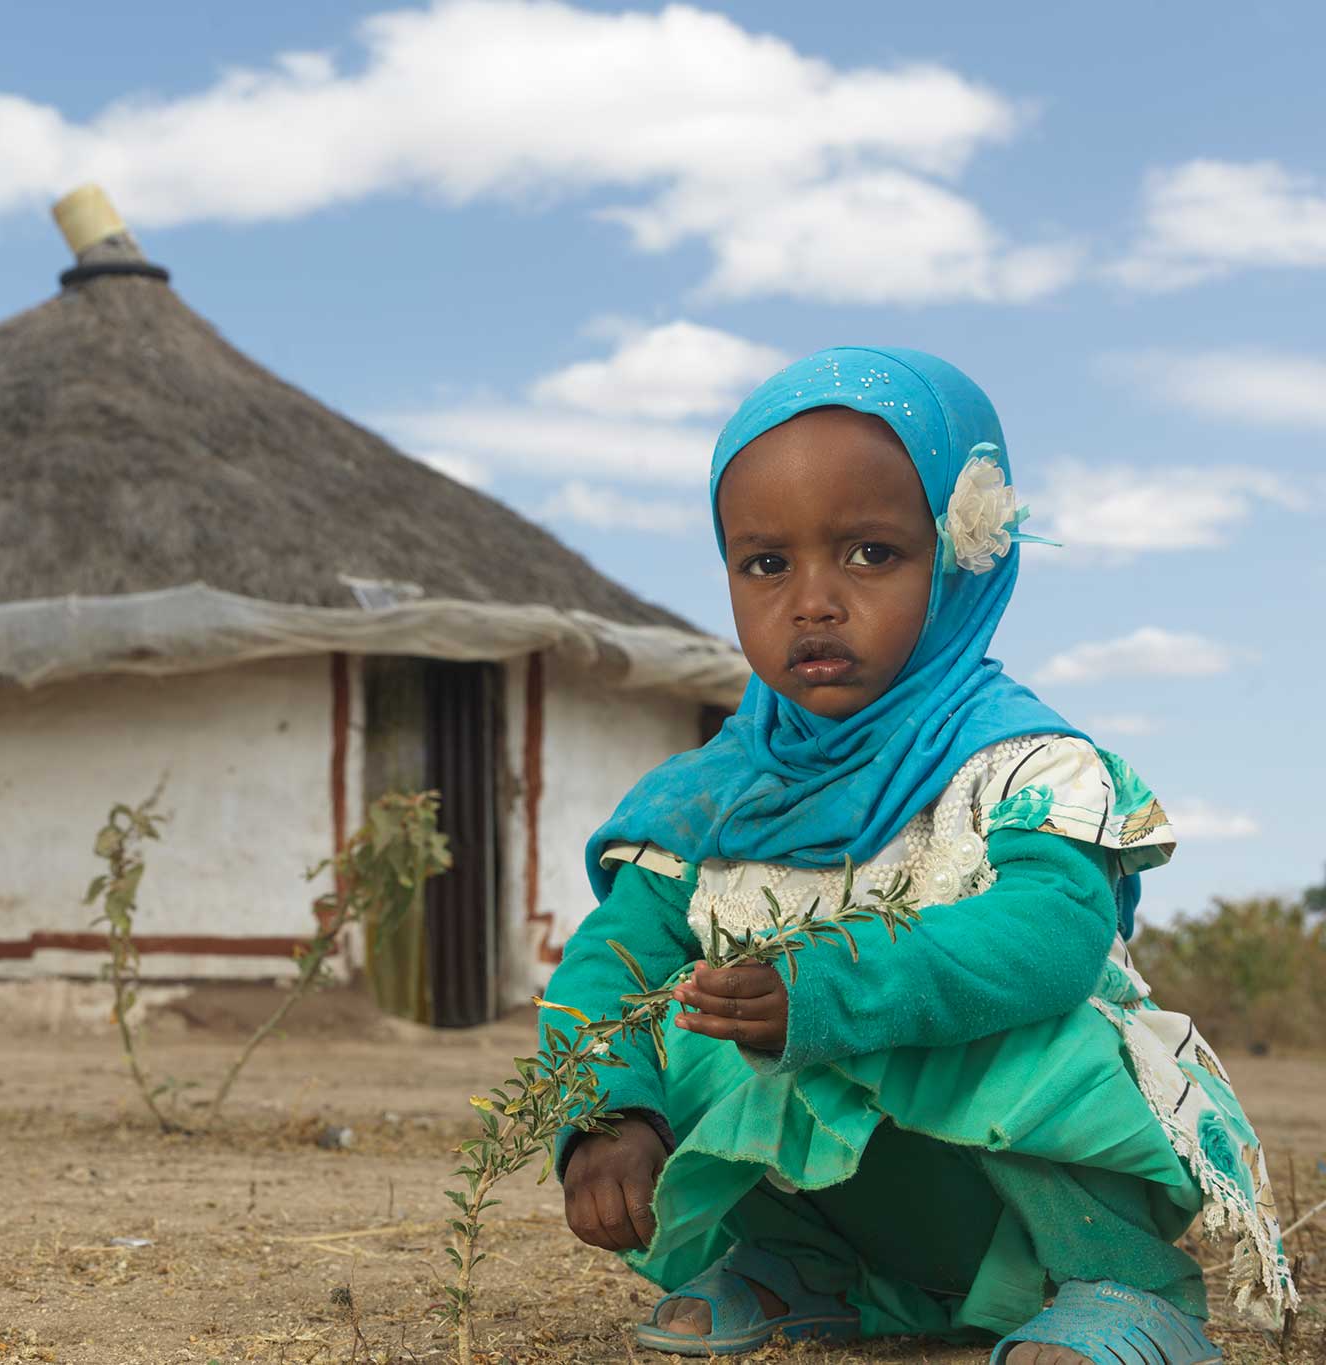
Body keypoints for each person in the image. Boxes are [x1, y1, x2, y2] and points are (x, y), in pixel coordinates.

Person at [546, 347, 1294, 1365]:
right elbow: (610, 962)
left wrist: (834, 987)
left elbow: (1051, 932)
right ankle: (807, 1264)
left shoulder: (1020, 763)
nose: (812, 601)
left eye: (869, 553)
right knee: (693, 1018)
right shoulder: (706, 799)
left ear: (957, 560)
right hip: (866, 1207)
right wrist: (607, 1115)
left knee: (1016, 1017)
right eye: (765, 563)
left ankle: (1120, 1282)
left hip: (1022, 1191)